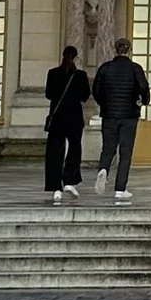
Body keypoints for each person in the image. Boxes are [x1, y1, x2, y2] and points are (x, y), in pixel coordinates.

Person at [91, 41, 151, 198]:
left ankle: (103, 169)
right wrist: (143, 101)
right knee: (125, 151)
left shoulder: (105, 68)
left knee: (108, 147)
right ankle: (120, 188)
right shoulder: (135, 68)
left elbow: (96, 90)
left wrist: (104, 104)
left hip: (109, 114)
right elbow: (144, 87)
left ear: (115, 50)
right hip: (129, 115)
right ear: (129, 51)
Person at [43, 44, 90, 200]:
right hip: (74, 117)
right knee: (75, 148)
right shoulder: (81, 75)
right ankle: (70, 180)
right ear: (76, 58)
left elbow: (49, 94)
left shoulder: (53, 73)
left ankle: (55, 186)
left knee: (55, 152)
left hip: (57, 117)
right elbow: (85, 96)